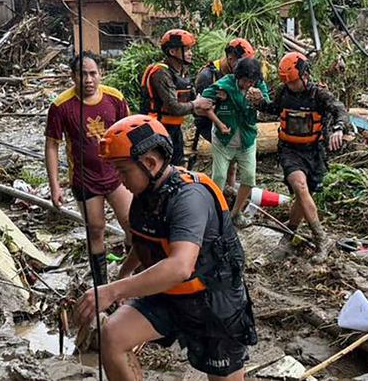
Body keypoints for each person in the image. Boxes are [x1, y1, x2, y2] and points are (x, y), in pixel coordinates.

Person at [75, 114, 256, 381]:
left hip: (213, 302)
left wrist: (112, 291)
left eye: (124, 171)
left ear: (150, 163)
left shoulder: (189, 198)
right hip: (168, 296)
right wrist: (125, 273)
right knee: (112, 337)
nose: (120, 180)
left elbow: (180, 266)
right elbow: (145, 241)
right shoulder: (145, 195)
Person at [45, 52, 132, 286]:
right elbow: (52, 145)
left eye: (93, 73)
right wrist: (55, 186)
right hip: (85, 179)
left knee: (132, 224)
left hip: (117, 175)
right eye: (82, 74)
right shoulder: (61, 106)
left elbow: (130, 133)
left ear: (100, 74)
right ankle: (101, 286)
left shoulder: (114, 98)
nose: (88, 79)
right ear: (73, 77)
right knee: (96, 229)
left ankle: (130, 278)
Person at [261, 52, 348, 262]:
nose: (291, 86)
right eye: (288, 83)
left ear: (305, 75)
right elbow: (272, 108)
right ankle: (321, 238)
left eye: (294, 82)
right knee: (300, 186)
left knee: (304, 193)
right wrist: (257, 102)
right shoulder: (283, 92)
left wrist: (338, 128)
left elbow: (340, 110)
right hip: (289, 150)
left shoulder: (318, 95)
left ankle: (290, 232)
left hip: (314, 151)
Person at [199, 57, 270, 227]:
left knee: (249, 178)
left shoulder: (259, 86)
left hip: (247, 139)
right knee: (219, 176)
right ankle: (214, 213)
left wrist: (259, 101)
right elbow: (203, 103)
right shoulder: (225, 84)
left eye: (251, 81)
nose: (248, 84)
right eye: (245, 80)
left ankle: (235, 213)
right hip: (224, 141)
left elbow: (268, 106)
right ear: (238, 76)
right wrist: (219, 122)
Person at [191, 38, 256, 162]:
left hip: (232, 120)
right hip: (209, 124)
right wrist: (220, 104)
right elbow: (198, 110)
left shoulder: (241, 77)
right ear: (230, 58)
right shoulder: (207, 76)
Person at [140, 29, 197, 168]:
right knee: (161, 168)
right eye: (187, 49)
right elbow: (174, 107)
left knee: (178, 167)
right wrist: (196, 105)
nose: (191, 53)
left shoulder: (182, 72)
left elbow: (192, 98)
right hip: (158, 129)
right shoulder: (161, 73)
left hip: (175, 129)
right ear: (172, 52)